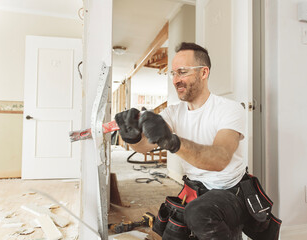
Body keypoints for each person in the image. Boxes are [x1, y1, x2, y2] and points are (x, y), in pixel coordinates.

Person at [115, 42, 279, 240]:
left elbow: (219, 159)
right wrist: (132, 137)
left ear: (203, 72)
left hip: (228, 192)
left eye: (182, 72)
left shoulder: (229, 109)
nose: (175, 80)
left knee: (198, 212)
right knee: (163, 233)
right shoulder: (173, 112)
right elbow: (144, 147)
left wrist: (172, 142)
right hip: (193, 189)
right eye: (173, 74)